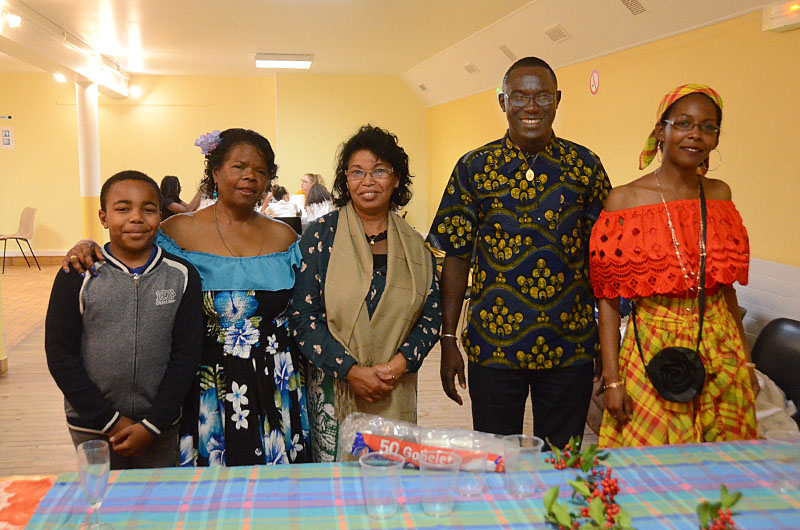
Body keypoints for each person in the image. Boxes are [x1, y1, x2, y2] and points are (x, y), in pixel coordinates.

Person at [61, 129, 311, 466]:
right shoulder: (176, 231)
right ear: (215, 171)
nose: (250, 176)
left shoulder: (285, 237)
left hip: (275, 379)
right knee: (206, 484)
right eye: (239, 166)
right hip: (201, 382)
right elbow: (130, 250)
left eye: (260, 170)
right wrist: (87, 245)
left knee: (274, 486)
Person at [426, 57, 611, 449]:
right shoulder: (474, 168)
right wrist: (448, 337)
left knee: (562, 460)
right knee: (497, 459)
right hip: (495, 344)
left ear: (557, 100)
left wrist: (604, 343)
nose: (531, 106)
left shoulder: (585, 167)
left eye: (542, 96)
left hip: (570, 344)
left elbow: (603, 258)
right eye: (520, 96)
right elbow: (456, 257)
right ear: (503, 102)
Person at [589, 84, 757, 447]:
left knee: (722, 461)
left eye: (707, 126)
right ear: (660, 131)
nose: (695, 134)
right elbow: (608, 300)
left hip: (720, 347)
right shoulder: (624, 200)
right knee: (646, 462)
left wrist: (745, 361)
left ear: (715, 138)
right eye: (683, 123)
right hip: (652, 345)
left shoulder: (719, 195)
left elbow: (725, 287)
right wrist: (612, 379)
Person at [289, 125, 441, 462]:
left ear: (396, 178)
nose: (367, 181)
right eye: (357, 172)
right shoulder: (320, 236)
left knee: (392, 478)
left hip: (395, 388)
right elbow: (302, 315)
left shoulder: (416, 246)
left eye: (379, 171)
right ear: (346, 179)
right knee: (336, 485)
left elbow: (431, 316)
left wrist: (395, 368)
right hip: (334, 390)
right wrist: (351, 371)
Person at [46, 170, 203, 469]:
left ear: (161, 216)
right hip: (92, 426)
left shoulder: (182, 275)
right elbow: (60, 354)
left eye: (148, 209)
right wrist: (109, 420)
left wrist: (153, 423)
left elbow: (187, 354)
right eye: (123, 209)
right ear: (103, 218)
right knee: (101, 493)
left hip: (158, 426)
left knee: (157, 495)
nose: (136, 218)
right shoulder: (77, 274)